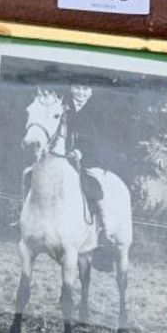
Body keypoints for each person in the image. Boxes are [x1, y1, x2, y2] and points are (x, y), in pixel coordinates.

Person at [59, 83, 108, 231]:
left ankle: (104, 223)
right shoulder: (61, 105)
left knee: (93, 182)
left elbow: (98, 139)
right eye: (77, 88)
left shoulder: (99, 111)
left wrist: (79, 152)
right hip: (60, 153)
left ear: (91, 92)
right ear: (71, 88)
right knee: (31, 172)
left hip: (88, 157)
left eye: (86, 89)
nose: (81, 92)